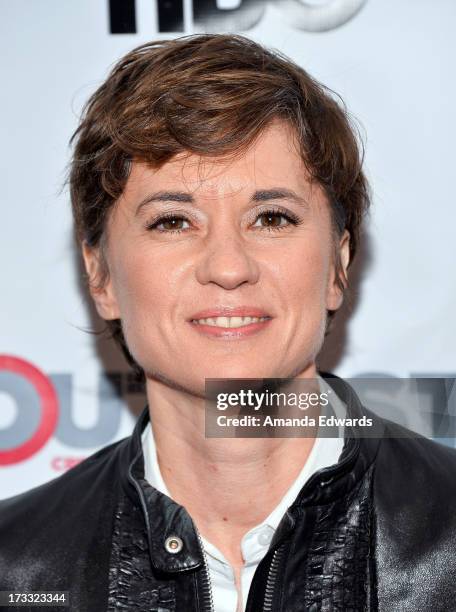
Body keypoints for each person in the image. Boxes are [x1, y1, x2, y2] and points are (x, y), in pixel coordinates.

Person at [1, 33, 456, 612]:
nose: (228, 267)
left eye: (271, 217)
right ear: (102, 276)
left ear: (338, 265)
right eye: (172, 222)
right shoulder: (15, 565)